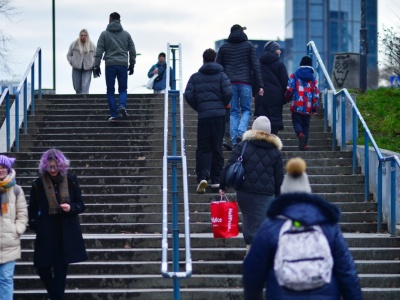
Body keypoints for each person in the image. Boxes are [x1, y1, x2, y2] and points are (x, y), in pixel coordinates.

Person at [243, 157, 363, 300]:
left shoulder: (271, 226)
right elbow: (347, 271)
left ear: (283, 190)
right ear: (308, 190)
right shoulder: (326, 225)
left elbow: (253, 273)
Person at [28, 149, 87, 300]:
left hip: (66, 231)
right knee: (42, 268)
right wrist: (36, 225)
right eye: (49, 167)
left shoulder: (71, 180)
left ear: (61, 166)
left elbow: (80, 204)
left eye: (55, 166)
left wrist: (71, 208)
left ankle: (56, 298)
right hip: (46, 231)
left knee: (61, 269)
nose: (53, 170)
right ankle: (55, 296)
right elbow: (32, 208)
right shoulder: (38, 183)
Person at [219, 116, 283, 252]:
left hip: (245, 192)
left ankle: (250, 251)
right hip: (266, 194)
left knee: (248, 221)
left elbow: (229, 165)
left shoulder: (243, 146)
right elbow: (279, 177)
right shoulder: (275, 151)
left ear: (253, 128)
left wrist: (222, 185)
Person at [185, 48, 233, 193]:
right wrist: (221, 105)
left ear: (203, 60)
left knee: (204, 147)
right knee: (217, 146)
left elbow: (188, 94)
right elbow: (228, 92)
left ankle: (202, 177)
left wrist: (200, 107)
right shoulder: (222, 76)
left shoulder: (195, 77)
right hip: (219, 116)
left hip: (204, 116)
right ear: (215, 59)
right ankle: (216, 178)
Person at [216, 24, 264, 147]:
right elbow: (255, 66)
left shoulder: (224, 48)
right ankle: (241, 133)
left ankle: (233, 141)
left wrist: (220, 85)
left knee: (233, 112)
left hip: (229, 83)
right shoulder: (249, 46)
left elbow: (219, 68)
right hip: (245, 83)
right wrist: (260, 85)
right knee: (246, 110)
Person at [93, 12, 136, 122]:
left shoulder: (104, 34)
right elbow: (132, 51)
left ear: (110, 20)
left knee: (110, 91)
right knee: (123, 89)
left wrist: (96, 66)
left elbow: (99, 51)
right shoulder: (126, 35)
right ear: (120, 21)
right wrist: (132, 65)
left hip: (110, 65)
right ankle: (122, 105)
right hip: (122, 65)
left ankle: (114, 115)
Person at [0, 155, 28, 300]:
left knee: (6, 279)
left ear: (8, 169)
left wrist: (17, 229)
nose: (1, 170)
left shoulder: (16, 189)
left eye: (4, 167)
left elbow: (22, 213)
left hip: (9, 242)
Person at [285, 55, 319, 151]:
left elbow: (290, 89)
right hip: (308, 106)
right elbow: (316, 94)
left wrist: (287, 98)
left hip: (296, 104)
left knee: (296, 121)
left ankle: (300, 134)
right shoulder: (313, 79)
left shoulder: (294, 75)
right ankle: (304, 145)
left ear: (301, 64)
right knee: (306, 125)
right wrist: (315, 107)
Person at [255, 41, 289, 135]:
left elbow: (254, 78)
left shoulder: (258, 63)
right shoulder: (280, 64)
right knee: (274, 121)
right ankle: (273, 144)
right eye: (278, 49)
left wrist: (256, 92)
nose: (280, 52)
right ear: (274, 50)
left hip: (261, 96)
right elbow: (285, 82)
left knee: (261, 121)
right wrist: (286, 95)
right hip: (276, 97)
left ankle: (262, 144)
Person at [66, 29, 96, 94]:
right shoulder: (74, 44)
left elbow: (96, 56)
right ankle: (79, 99)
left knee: (85, 85)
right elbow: (69, 55)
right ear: (79, 36)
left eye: (85, 35)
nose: (83, 37)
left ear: (87, 36)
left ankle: (85, 100)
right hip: (76, 67)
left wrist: (92, 63)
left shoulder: (92, 45)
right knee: (77, 86)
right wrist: (72, 62)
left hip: (88, 68)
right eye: (82, 35)